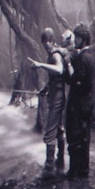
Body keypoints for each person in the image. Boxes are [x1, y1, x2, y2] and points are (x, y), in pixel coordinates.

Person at [29, 27, 66, 176]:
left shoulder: (55, 54)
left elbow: (59, 70)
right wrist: (45, 89)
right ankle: (60, 161)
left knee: (50, 131)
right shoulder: (54, 53)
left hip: (57, 97)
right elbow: (54, 78)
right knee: (58, 129)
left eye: (47, 43)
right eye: (44, 44)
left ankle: (49, 168)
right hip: (56, 94)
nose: (46, 46)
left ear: (51, 41)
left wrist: (40, 65)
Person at [66, 22, 95, 180]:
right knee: (85, 137)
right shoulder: (89, 57)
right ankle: (84, 171)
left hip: (78, 104)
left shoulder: (81, 59)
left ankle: (73, 172)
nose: (74, 40)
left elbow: (75, 80)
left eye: (76, 37)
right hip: (87, 103)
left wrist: (69, 63)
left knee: (75, 137)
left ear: (82, 39)